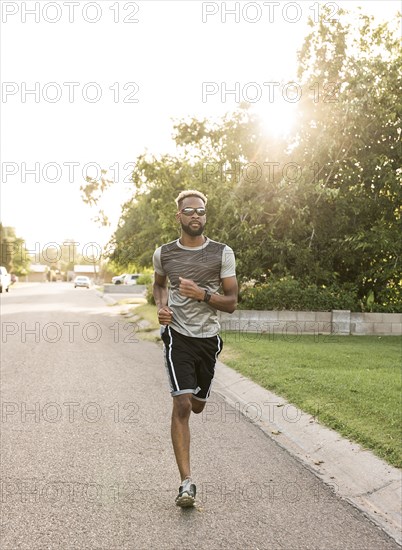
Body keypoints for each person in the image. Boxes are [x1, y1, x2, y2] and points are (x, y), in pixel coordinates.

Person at [153, 190, 238, 507]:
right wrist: (162, 307)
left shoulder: (221, 253)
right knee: (182, 405)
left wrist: (202, 294)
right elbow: (159, 285)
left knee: (198, 404)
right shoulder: (164, 254)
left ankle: (198, 394)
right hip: (178, 335)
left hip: (209, 339)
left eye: (200, 211)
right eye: (189, 210)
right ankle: (186, 483)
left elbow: (231, 303)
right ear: (179, 216)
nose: (195, 215)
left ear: (205, 216)